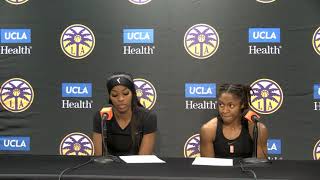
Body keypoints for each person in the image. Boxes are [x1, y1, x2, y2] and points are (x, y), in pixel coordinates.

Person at [92, 73, 157, 156]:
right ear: (110, 97)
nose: (120, 99)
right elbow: (99, 157)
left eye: (125, 93)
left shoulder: (148, 117)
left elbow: (143, 159)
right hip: (109, 167)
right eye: (114, 95)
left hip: (137, 167)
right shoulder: (102, 116)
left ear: (133, 94)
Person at [200, 83, 268, 159]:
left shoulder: (258, 129)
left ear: (242, 104)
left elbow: (261, 167)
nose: (225, 111)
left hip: (248, 171)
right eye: (221, 105)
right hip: (218, 171)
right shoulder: (208, 130)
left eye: (231, 105)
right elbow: (207, 168)